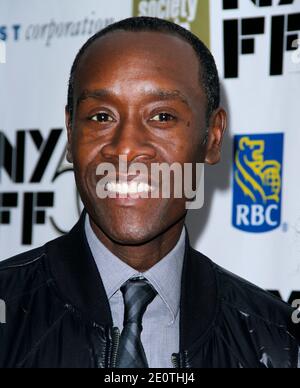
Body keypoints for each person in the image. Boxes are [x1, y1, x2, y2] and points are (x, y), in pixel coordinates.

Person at [0, 17, 299, 369]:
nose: (125, 148)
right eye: (100, 117)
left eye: (161, 117)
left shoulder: (280, 343)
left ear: (213, 137)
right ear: (70, 132)